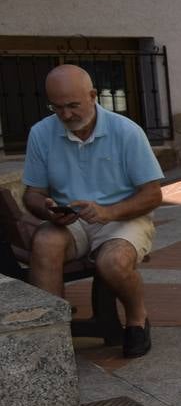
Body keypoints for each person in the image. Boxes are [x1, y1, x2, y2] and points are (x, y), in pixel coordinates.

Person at [22, 64, 163, 358]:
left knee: (113, 262)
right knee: (45, 242)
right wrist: (47, 210)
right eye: (57, 107)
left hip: (123, 216)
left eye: (73, 105)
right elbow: (32, 194)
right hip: (71, 220)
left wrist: (109, 213)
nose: (66, 115)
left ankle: (137, 319)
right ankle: (52, 337)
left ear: (93, 95)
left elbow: (152, 194)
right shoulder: (41, 133)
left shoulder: (126, 132)